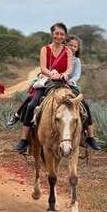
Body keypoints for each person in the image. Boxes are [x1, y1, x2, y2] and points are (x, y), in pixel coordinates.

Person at [13, 23, 74, 153]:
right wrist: (51, 73)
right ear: (52, 34)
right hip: (47, 81)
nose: (59, 36)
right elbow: (43, 68)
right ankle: (24, 139)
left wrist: (65, 74)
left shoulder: (68, 51)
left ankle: (86, 136)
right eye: (57, 33)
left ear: (65, 36)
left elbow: (69, 68)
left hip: (63, 82)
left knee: (81, 104)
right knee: (32, 104)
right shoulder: (45, 49)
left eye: (62, 34)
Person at [66, 35, 101, 151]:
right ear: (66, 45)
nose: (72, 47)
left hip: (71, 85)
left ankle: (90, 137)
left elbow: (76, 75)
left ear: (77, 48)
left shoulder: (77, 61)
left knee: (85, 106)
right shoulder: (60, 56)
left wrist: (71, 80)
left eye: (75, 46)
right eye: (70, 45)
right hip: (56, 83)